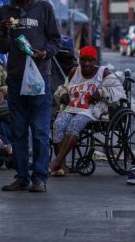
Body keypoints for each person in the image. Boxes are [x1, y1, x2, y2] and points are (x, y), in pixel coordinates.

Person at [0, 0, 61, 193]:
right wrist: (3, 32)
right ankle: (22, 176)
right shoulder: (5, 11)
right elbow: (1, 47)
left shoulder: (44, 9)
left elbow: (55, 40)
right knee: (18, 131)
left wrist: (46, 53)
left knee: (40, 131)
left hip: (40, 78)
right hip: (15, 77)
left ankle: (40, 177)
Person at [48, 46, 124, 176]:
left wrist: (100, 93)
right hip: (72, 107)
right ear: (79, 60)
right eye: (83, 60)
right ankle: (63, 166)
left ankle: (57, 162)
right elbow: (63, 87)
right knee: (58, 125)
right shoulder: (74, 72)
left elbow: (119, 91)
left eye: (90, 60)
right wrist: (63, 94)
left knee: (74, 125)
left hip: (91, 110)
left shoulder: (103, 73)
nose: (86, 64)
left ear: (95, 61)